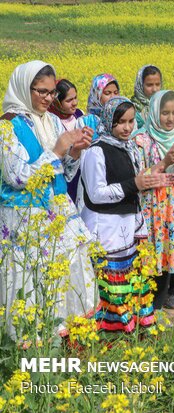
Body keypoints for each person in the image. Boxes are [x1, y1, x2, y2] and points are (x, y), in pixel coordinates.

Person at [0, 60, 97, 338]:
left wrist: (75, 151)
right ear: (23, 87)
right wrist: (56, 150)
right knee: (30, 279)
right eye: (41, 91)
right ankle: (32, 344)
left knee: (67, 269)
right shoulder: (6, 126)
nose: (48, 98)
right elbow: (16, 176)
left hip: (56, 210)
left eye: (52, 92)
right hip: (24, 218)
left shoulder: (53, 121)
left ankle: (68, 338)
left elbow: (64, 172)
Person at [80, 96, 174, 334]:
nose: (127, 127)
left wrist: (155, 173)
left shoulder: (128, 146)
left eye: (131, 121)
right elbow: (96, 193)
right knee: (109, 285)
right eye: (121, 121)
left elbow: (134, 183)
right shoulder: (96, 151)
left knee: (127, 284)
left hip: (127, 226)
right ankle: (108, 334)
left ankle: (128, 330)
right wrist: (135, 183)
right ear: (108, 121)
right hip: (106, 229)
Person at [134, 90, 174, 310]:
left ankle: (158, 309)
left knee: (167, 258)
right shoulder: (141, 140)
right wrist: (165, 161)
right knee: (150, 258)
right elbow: (139, 177)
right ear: (153, 112)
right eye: (164, 113)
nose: (170, 118)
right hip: (151, 207)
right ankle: (144, 311)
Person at [72, 73, 120, 205]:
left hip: (118, 179)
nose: (113, 97)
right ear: (97, 95)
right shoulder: (85, 122)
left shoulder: (122, 120)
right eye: (107, 93)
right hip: (92, 181)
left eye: (116, 92)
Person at [131, 65, 163, 129]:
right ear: (140, 85)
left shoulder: (165, 105)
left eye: (157, 84)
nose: (154, 89)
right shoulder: (132, 108)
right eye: (149, 85)